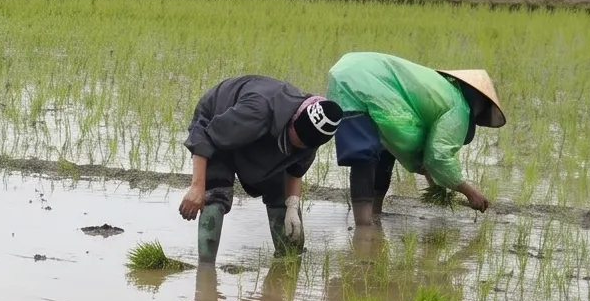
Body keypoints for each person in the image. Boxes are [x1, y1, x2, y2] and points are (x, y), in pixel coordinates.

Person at [324, 52, 506, 228]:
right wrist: (470, 193)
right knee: (362, 156)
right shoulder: (458, 107)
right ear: (481, 104)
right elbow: (439, 157)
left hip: (345, 72)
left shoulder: (442, 91)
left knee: (385, 150)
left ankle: (374, 214)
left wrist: (434, 183)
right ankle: (364, 230)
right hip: (361, 83)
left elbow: (416, 147)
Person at [177, 73, 345, 263]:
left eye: (301, 147)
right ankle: (206, 271)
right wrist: (198, 186)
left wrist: (292, 206)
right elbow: (206, 136)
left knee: (280, 194)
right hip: (218, 116)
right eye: (293, 139)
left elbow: (294, 171)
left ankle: (289, 262)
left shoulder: (312, 137)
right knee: (216, 193)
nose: (296, 147)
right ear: (292, 121)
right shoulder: (257, 111)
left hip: (264, 134)